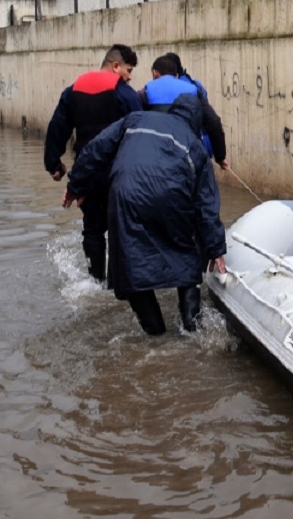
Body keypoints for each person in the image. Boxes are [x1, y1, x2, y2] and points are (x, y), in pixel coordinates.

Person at [61, 94, 227, 336]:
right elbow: (207, 205)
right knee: (186, 255)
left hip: (126, 196)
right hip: (174, 200)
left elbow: (95, 149)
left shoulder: (135, 120)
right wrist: (215, 249)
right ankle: (193, 329)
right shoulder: (196, 147)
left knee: (131, 263)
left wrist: (75, 186)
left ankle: (155, 332)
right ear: (196, 121)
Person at [44, 44, 141, 281]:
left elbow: (57, 127)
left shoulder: (73, 90)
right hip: (119, 173)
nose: (129, 77)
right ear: (115, 66)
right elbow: (141, 130)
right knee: (123, 229)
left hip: (87, 174)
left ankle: (96, 280)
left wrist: (54, 164)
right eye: (128, 70)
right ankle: (121, 284)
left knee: (92, 230)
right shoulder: (125, 94)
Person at [139, 54, 230, 171]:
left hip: (157, 156)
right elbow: (213, 121)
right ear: (176, 75)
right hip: (190, 154)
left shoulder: (145, 91)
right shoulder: (194, 88)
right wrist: (220, 156)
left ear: (155, 73)